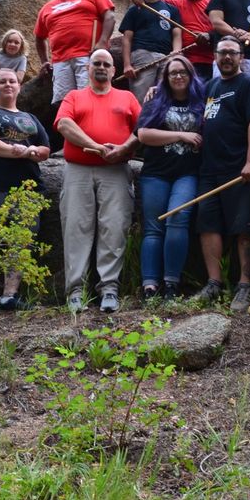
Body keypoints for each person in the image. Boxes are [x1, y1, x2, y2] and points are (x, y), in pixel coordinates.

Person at [54, 49, 140, 313]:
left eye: (106, 64)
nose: (101, 67)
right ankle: (76, 292)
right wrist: (97, 146)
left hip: (116, 171)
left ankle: (109, 289)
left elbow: (142, 129)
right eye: (96, 63)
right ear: (88, 69)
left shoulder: (127, 97)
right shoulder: (74, 96)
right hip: (78, 169)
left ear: (114, 71)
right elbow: (63, 124)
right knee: (75, 228)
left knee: (114, 227)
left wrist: (124, 149)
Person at [0, 68, 53, 315]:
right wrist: (24, 151)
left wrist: (32, 151)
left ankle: (9, 296)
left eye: (12, 81)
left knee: (20, 240)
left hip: (26, 186)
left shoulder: (30, 118)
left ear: (19, 86)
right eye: (1, 81)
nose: (7, 84)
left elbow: (46, 149)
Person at [194, 38, 250, 312]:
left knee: (245, 225)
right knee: (207, 223)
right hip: (209, 168)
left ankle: (245, 285)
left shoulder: (249, 84)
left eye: (232, 53)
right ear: (214, 56)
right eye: (222, 53)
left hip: (240, 168)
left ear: (240, 57)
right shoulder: (211, 86)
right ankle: (214, 283)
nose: (226, 57)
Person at [136, 56, 205, 300]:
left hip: (187, 173)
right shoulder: (155, 101)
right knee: (154, 227)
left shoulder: (202, 100)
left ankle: (171, 283)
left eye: (183, 72)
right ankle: (150, 285)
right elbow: (144, 134)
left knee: (178, 217)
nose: (178, 76)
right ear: (165, 78)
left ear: (191, 75)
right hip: (156, 173)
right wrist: (181, 136)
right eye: (172, 73)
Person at [34, 0, 116, 104]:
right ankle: (69, 125)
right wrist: (44, 61)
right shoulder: (46, 8)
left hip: (88, 55)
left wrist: (102, 42)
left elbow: (110, 16)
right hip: (60, 60)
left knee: (91, 96)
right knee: (64, 102)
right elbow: (39, 37)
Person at [120, 0, 182, 102]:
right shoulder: (135, 9)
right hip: (143, 55)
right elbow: (127, 39)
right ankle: (140, 123)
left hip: (166, 57)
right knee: (141, 98)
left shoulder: (172, 10)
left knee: (164, 98)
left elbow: (177, 34)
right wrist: (127, 64)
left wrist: (176, 52)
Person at [158, 0, 215, 81]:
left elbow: (225, 25)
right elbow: (152, 1)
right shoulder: (176, 2)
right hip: (187, 63)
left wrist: (210, 35)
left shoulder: (214, 1)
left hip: (215, 61)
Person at [0, 29, 29, 106]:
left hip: (11, 88)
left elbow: (19, 78)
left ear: (21, 46)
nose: (12, 44)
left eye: (16, 43)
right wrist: (10, 76)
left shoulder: (22, 58)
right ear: (4, 42)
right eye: (9, 41)